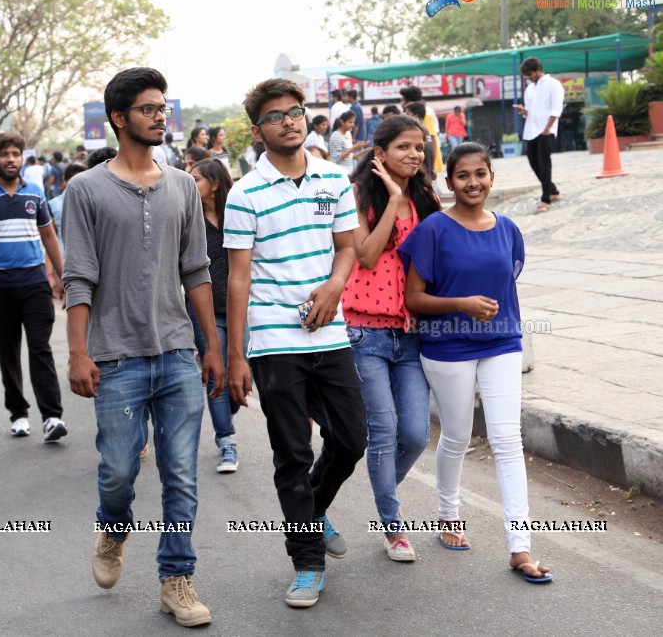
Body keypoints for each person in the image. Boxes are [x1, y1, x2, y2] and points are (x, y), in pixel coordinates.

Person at [63, 67, 221, 627]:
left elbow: (197, 271)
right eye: (149, 108)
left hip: (178, 353)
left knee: (181, 473)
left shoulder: (181, 184)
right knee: (118, 471)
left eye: (163, 107)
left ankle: (176, 579)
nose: (161, 116)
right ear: (118, 118)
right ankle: (113, 527)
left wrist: (214, 347)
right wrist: (78, 353)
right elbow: (77, 277)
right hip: (116, 358)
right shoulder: (84, 189)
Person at [224, 78, 366, 609]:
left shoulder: (333, 176)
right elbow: (238, 278)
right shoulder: (245, 193)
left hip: (331, 331)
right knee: (291, 451)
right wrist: (236, 354)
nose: (290, 120)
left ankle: (310, 509)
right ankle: (306, 560)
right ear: (258, 130)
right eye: (276, 115)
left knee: (352, 438)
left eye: (296, 111)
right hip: (272, 340)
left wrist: (334, 287)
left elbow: (347, 248)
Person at [400, 142, 553, 584]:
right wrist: (461, 304)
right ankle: (448, 515)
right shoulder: (433, 229)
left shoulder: (508, 228)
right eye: (463, 175)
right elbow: (413, 298)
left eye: (480, 174)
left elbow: (507, 280)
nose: (473, 182)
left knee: (507, 440)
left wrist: (484, 311)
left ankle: (519, 547)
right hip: (447, 346)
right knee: (458, 435)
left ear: (492, 177)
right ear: (450, 182)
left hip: (503, 341)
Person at [344, 115, 442, 562]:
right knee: (383, 430)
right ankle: (393, 526)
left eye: (419, 147)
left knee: (418, 434)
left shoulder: (426, 196)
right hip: (366, 330)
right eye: (404, 147)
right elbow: (364, 255)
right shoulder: (359, 193)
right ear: (380, 152)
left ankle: (382, 491)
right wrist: (393, 200)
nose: (415, 155)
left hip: (412, 332)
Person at [0, 133, 68, 442]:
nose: (11, 159)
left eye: (16, 154)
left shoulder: (34, 192)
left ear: (22, 158)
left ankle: (51, 416)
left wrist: (63, 276)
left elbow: (49, 236)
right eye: (5, 155)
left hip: (34, 282)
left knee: (40, 348)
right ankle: (19, 413)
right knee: (7, 352)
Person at [186, 158, 244, 472]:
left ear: (215, 185)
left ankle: (225, 411)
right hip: (204, 311)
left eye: (195, 180)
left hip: (242, 309)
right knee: (216, 373)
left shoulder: (238, 215)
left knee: (239, 379)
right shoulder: (188, 220)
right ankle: (227, 442)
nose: (189, 184)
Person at [514, 57, 564, 214]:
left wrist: (547, 128)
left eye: (530, 73)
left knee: (544, 164)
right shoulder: (529, 89)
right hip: (531, 130)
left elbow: (556, 109)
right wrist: (524, 111)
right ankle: (553, 190)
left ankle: (546, 198)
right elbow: (532, 111)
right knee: (533, 163)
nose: (528, 77)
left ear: (538, 69)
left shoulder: (554, 85)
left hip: (546, 130)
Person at [400, 86, 443, 175]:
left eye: (403, 100)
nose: (401, 103)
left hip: (425, 159)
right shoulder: (416, 112)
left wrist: (431, 168)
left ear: (409, 101)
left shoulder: (425, 113)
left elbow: (432, 139)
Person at [49, 161, 86, 255]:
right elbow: (50, 238)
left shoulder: (96, 203)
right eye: (74, 181)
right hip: (63, 258)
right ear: (65, 181)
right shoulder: (52, 205)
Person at [329, 111, 366, 175]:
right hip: (339, 173)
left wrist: (364, 152)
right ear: (342, 122)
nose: (353, 125)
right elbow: (337, 158)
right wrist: (354, 147)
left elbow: (349, 157)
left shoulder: (348, 134)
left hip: (349, 171)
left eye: (353, 122)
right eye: (350, 122)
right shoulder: (336, 136)